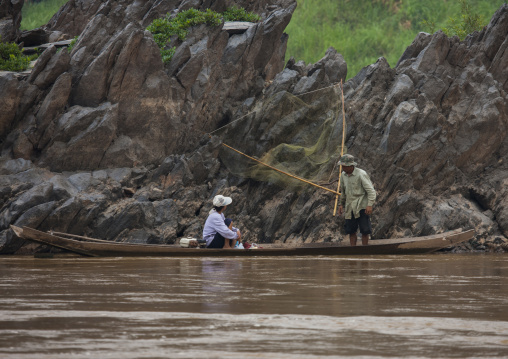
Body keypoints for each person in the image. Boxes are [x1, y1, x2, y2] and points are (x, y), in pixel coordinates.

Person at [337, 154, 376, 246]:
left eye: (344, 166)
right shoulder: (343, 175)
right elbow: (343, 191)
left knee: (365, 230)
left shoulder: (361, 174)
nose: (343, 168)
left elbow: (371, 191)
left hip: (362, 206)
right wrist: (341, 204)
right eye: (342, 166)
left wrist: (369, 205)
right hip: (350, 206)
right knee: (351, 230)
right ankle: (353, 250)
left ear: (351, 166)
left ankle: (364, 250)